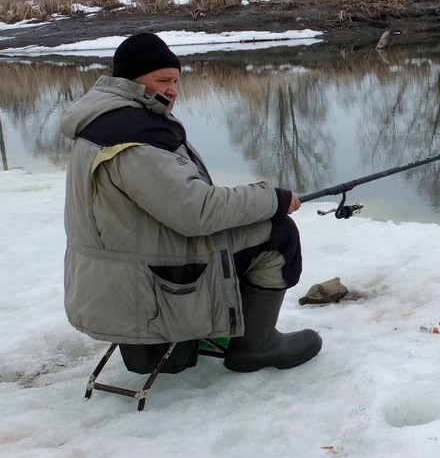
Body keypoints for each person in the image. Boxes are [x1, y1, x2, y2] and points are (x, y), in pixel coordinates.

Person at [60, 31, 321, 374]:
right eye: (162, 80)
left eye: (176, 80)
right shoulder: (134, 133)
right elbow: (197, 212)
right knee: (278, 234)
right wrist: (273, 199)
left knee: (244, 224)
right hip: (146, 286)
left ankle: (209, 328)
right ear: (131, 81)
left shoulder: (100, 120)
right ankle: (256, 348)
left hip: (120, 281)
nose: (172, 90)